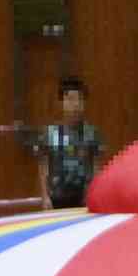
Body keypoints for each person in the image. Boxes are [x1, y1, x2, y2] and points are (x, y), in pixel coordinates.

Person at [31, 76, 101, 210]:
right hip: (56, 197)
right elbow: (43, 166)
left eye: (79, 100)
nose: (75, 105)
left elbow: (96, 167)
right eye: (70, 99)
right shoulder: (49, 134)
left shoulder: (91, 134)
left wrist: (94, 194)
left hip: (83, 198)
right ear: (61, 102)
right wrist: (45, 197)